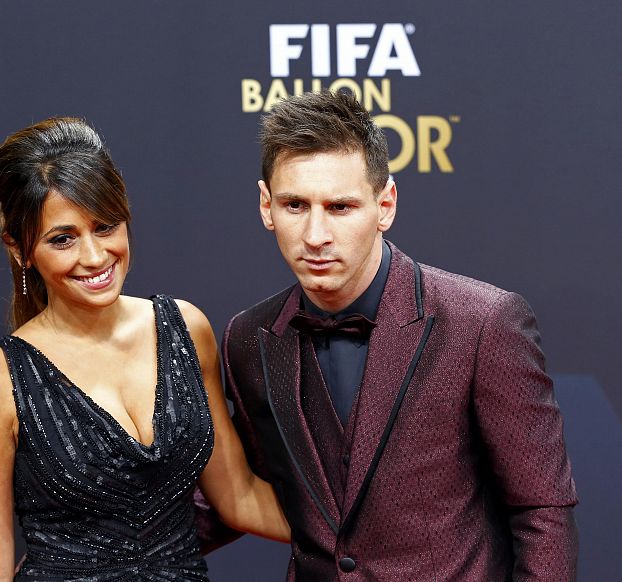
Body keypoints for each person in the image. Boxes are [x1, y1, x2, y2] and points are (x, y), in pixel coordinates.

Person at [218, 91, 578, 580]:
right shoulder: (248, 337)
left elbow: (543, 512)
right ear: (266, 206)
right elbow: (243, 488)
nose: (315, 234)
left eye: (340, 207)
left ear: (384, 205)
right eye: (295, 205)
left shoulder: (483, 322)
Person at [0, 117, 289, 581]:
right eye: (62, 239)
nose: (93, 256)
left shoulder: (186, 330)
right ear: (20, 249)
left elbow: (239, 496)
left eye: (105, 226)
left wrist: (367, 536)